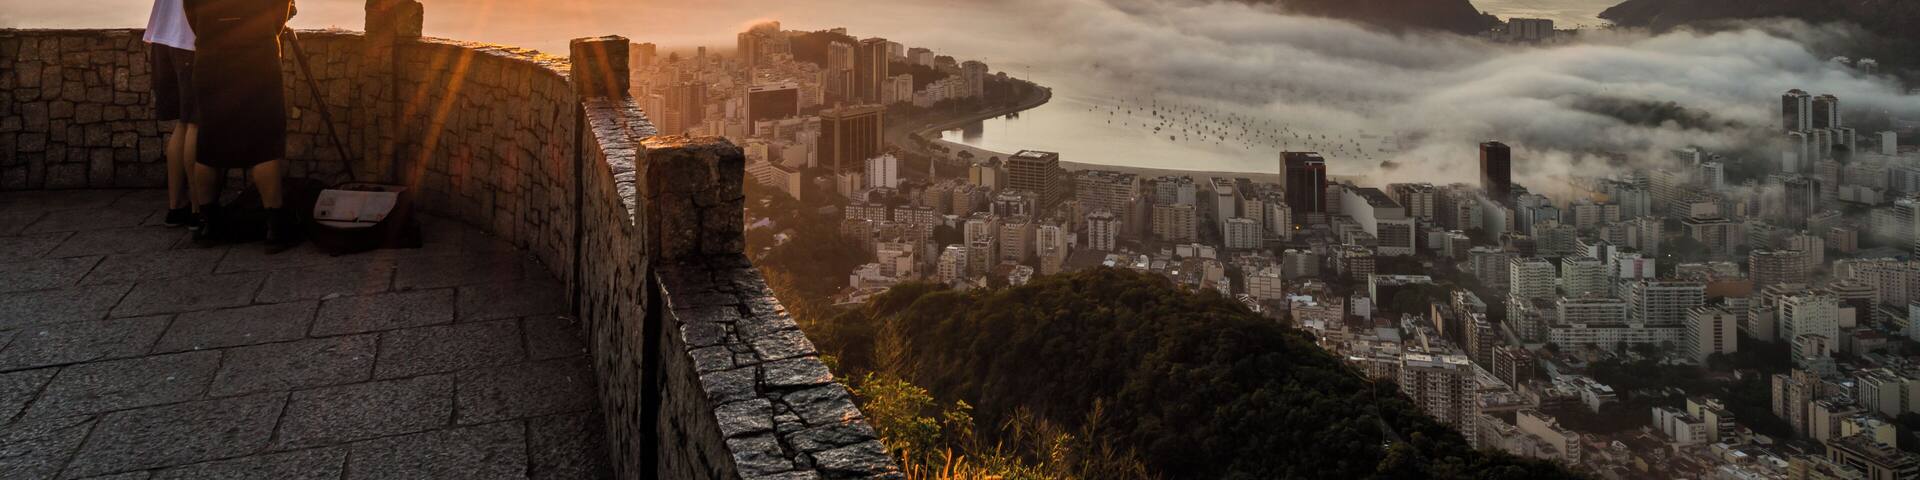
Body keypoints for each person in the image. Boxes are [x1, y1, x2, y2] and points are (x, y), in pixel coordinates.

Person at [183, 0, 298, 250]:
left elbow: (190, 11)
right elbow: (281, 9)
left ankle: (209, 223)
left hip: (211, 55)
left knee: (209, 142)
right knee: (264, 142)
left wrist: (211, 32)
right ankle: (275, 227)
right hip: (257, 56)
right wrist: (264, 33)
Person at [145, 0, 199, 228]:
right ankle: (198, 209)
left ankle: (176, 206)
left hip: (163, 35)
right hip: (189, 40)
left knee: (183, 123)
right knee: (195, 123)